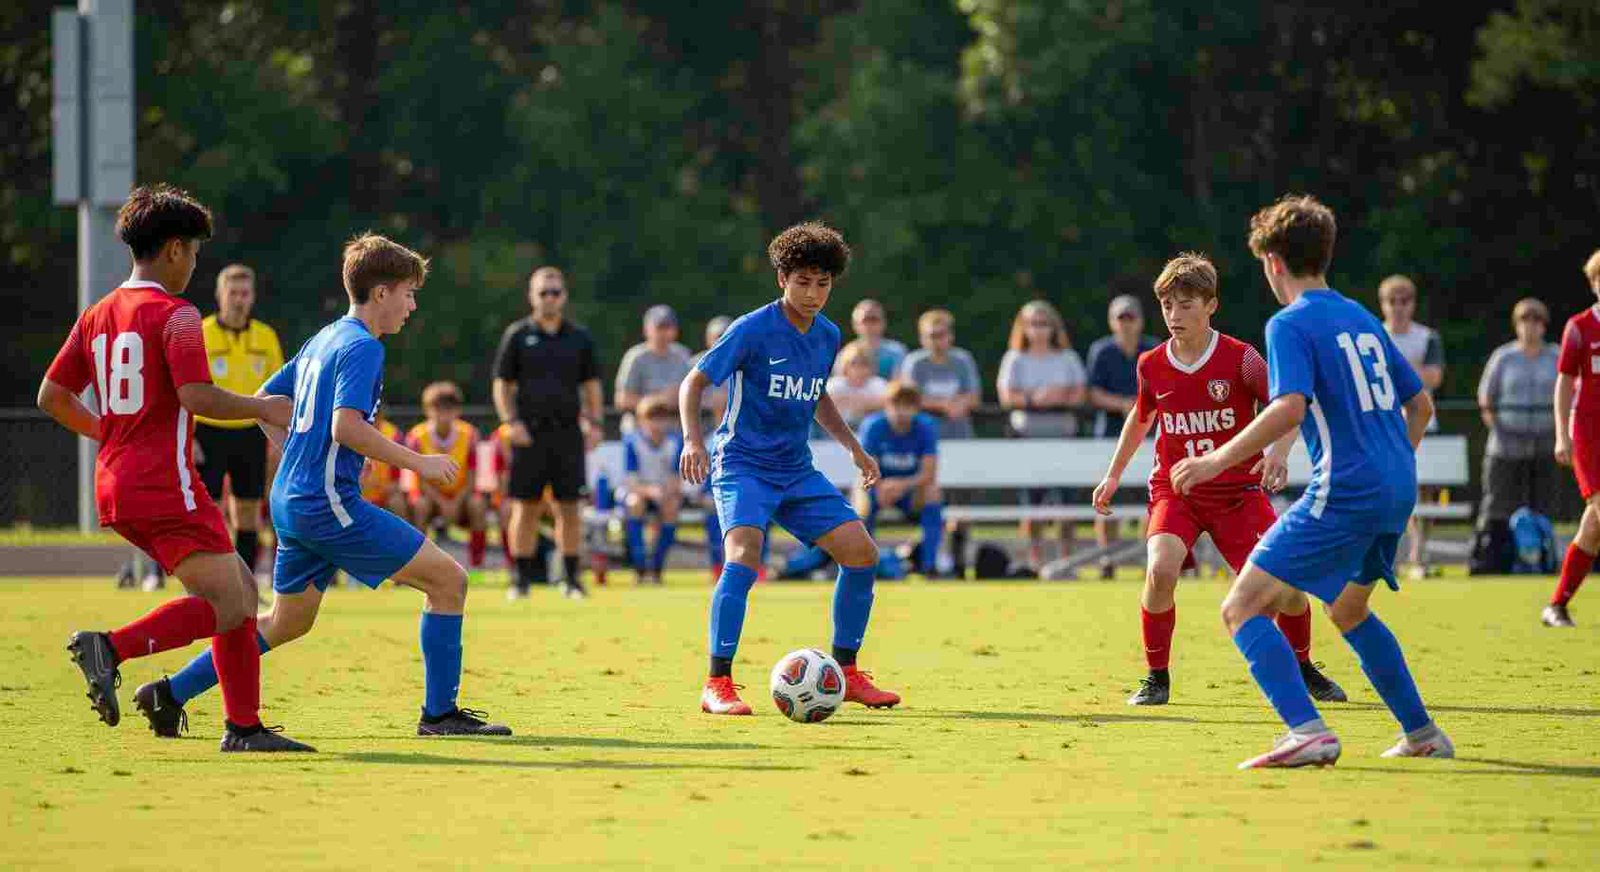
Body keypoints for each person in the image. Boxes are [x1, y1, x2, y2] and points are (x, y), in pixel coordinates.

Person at [142, 233, 512, 739]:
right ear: (380, 293)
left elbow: (264, 400)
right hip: (327, 504)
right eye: (408, 292)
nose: (412, 304)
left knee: (287, 621)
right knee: (449, 582)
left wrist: (300, 450)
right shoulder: (363, 346)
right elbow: (346, 427)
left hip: (294, 501)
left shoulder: (325, 337)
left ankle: (170, 691)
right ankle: (440, 716)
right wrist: (417, 463)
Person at [1172, 194, 1452, 768]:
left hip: (1345, 491)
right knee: (1348, 611)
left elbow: (1289, 409)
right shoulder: (1361, 317)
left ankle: (1307, 730)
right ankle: (1422, 733)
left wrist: (1213, 462)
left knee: (1241, 607)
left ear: (1274, 262)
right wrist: (1392, 465)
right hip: (1397, 489)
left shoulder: (1288, 323)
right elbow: (1419, 405)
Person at [37, 184, 309, 752]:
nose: (194, 265)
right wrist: (261, 407)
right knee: (228, 603)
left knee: (236, 587)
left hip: (117, 481)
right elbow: (197, 397)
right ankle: (110, 649)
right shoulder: (178, 314)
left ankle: (232, 722)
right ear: (174, 251)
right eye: (194, 253)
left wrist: (106, 432)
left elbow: (52, 396)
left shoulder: (98, 314)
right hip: (165, 483)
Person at [1091, 253, 1346, 707]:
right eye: (1167, 305)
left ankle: (1305, 666)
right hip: (1178, 491)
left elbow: (1289, 407)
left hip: (1238, 493)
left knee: (1285, 588)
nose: (1174, 315)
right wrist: (1113, 476)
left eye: (1186, 304)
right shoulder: (1151, 364)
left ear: (1211, 305)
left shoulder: (1241, 358)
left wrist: (1279, 453)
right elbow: (1141, 416)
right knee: (1160, 569)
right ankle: (1156, 678)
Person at [679, 221, 901, 715]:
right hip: (742, 465)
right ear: (782, 279)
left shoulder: (827, 335)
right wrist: (694, 440)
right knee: (744, 554)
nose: (813, 293)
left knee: (862, 553)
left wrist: (853, 448)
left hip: (795, 469)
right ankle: (717, 683)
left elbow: (816, 395)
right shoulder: (751, 328)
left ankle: (846, 672)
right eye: (803, 281)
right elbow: (693, 383)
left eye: (822, 283)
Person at [492, 266, 604, 600]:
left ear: (564, 296)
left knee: (569, 509)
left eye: (555, 292)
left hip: (568, 434)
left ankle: (571, 580)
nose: (550, 298)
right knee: (524, 509)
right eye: (543, 292)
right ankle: (520, 581)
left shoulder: (579, 337)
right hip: (529, 435)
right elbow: (501, 385)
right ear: (532, 295)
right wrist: (511, 423)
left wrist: (595, 423)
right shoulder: (517, 335)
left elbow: (592, 385)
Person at [194, 263, 284, 574]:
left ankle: (243, 580)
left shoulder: (265, 336)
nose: (238, 299)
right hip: (208, 430)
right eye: (232, 293)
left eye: (244, 293)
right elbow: (184, 388)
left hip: (252, 430)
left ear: (253, 297)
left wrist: (278, 439)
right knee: (208, 510)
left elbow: (279, 392)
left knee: (248, 511)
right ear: (220, 295)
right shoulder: (201, 333)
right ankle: (208, 578)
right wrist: (188, 437)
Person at [997, 299, 1088, 567]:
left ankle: (1066, 560)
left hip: (1064, 439)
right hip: (1028, 440)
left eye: (1043, 324)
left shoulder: (1067, 357)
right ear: (1023, 328)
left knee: (1066, 506)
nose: (1038, 330)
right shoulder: (1014, 359)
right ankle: (1034, 561)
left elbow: (1080, 392)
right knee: (1031, 507)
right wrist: (1033, 399)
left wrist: (1059, 397)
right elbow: (1006, 395)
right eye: (1032, 324)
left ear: (1053, 327)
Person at [1477, 298, 1559, 555]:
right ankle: (1493, 556)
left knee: (1543, 505)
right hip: (1505, 447)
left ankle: (1542, 555)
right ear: (1516, 325)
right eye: (1525, 319)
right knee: (1498, 504)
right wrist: (1498, 430)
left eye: (1537, 320)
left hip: (1546, 444)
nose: (1531, 326)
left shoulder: (1557, 356)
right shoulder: (1503, 357)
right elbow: (1485, 398)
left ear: (1544, 326)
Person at [1086, 295, 1160, 578]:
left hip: (1150, 434)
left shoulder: (1152, 349)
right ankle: (1108, 560)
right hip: (1109, 434)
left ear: (1140, 320)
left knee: (1151, 497)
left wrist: (1139, 406)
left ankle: (1146, 557)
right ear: (1112, 321)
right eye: (1121, 317)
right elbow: (1092, 392)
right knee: (1106, 496)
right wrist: (1123, 405)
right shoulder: (1102, 351)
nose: (1127, 323)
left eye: (1131, 317)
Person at [1545, 250, 1600, 627]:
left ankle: (1557, 605)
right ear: (1593, 283)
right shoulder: (1579, 326)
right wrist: (1561, 434)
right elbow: (1564, 384)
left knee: (1593, 526)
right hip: (1588, 433)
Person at [1378, 275, 1445, 577]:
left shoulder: (1427, 337)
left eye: (1404, 301)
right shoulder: (1374, 333)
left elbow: (1433, 377)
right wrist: (1412, 371)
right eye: (1393, 301)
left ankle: (1419, 553)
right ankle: (1388, 554)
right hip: (1382, 424)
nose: (1399, 307)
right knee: (1387, 490)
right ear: (1383, 304)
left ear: (1413, 304)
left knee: (1424, 493)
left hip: (1423, 423)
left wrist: (1393, 370)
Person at [406, 381, 487, 568]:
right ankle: (418, 565)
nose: (443, 414)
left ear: (457, 411)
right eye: (437, 408)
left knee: (478, 505)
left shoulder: (470, 435)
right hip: (430, 497)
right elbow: (419, 482)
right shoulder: (417, 436)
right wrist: (442, 503)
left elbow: (472, 477)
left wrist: (455, 501)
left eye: (449, 408)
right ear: (427, 410)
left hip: (460, 497)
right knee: (420, 506)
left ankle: (477, 565)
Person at [620, 396, 685, 584]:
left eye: (661, 418)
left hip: (665, 492)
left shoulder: (675, 442)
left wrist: (665, 492)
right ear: (641, 420)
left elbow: (676, 477)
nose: (656, 424)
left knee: (671, 508)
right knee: (634, 503)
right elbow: (631, 481)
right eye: (651, 418)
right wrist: (650, 491)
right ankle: (639, 566)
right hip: (639, 491)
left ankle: (657, 567)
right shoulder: (632, 442)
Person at [899, 309, 981, 439]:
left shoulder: (963, 360)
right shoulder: (914, 362)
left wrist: (960, 405)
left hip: (960, 433)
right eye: (932, 336)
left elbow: (974, 397)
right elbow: (908, 399)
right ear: (922, 338)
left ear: (950, 335)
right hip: (922, 435)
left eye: (941, 335)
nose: (937, 341)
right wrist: (943, 405)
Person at [614, 304, 693, 426]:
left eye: (668, 327)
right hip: (640, 428)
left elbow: (695, 393)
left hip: (674, 429)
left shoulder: (683, 355)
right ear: (647, 330)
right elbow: (622, 399)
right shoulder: (636, 357)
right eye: (660, 327)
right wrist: (655, 402)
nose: (664, 332)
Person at [826, 340, 889, 429]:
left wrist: (847, 401)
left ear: (871, 367)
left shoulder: (878, 384)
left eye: (864, 364)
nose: (858, 369)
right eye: (853, 364)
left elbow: (887, 404)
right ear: (845, 366)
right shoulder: (835, 384)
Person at [360, 408, 409, 517]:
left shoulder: (394, 435)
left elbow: (399, 479)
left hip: (385, 494)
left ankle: (403, 533)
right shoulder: (348, 432)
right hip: (358, 494)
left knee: (397, 502)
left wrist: (383, 488)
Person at [843, 298, 908, 379]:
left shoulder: (897, 351)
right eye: (865, 320)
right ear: (855, 324)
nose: (869, 324)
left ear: (883, 323)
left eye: (874, 319)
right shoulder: (845, 354)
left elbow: (898, 383)